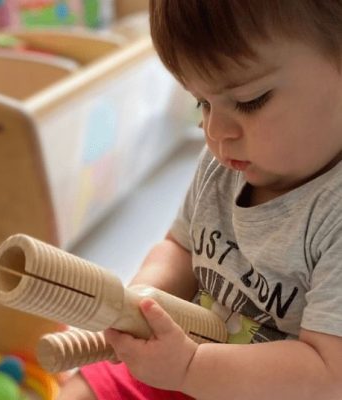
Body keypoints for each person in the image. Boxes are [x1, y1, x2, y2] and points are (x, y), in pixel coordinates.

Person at [57, 1, 342, 399]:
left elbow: (328, 375)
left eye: (249, 101)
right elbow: (180, 246)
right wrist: (142, 300)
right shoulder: (224, 162)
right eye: (202, 103)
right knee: (84, 387)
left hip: (280, 388)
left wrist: (190, 368)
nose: (215, 130)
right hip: (188, 361)